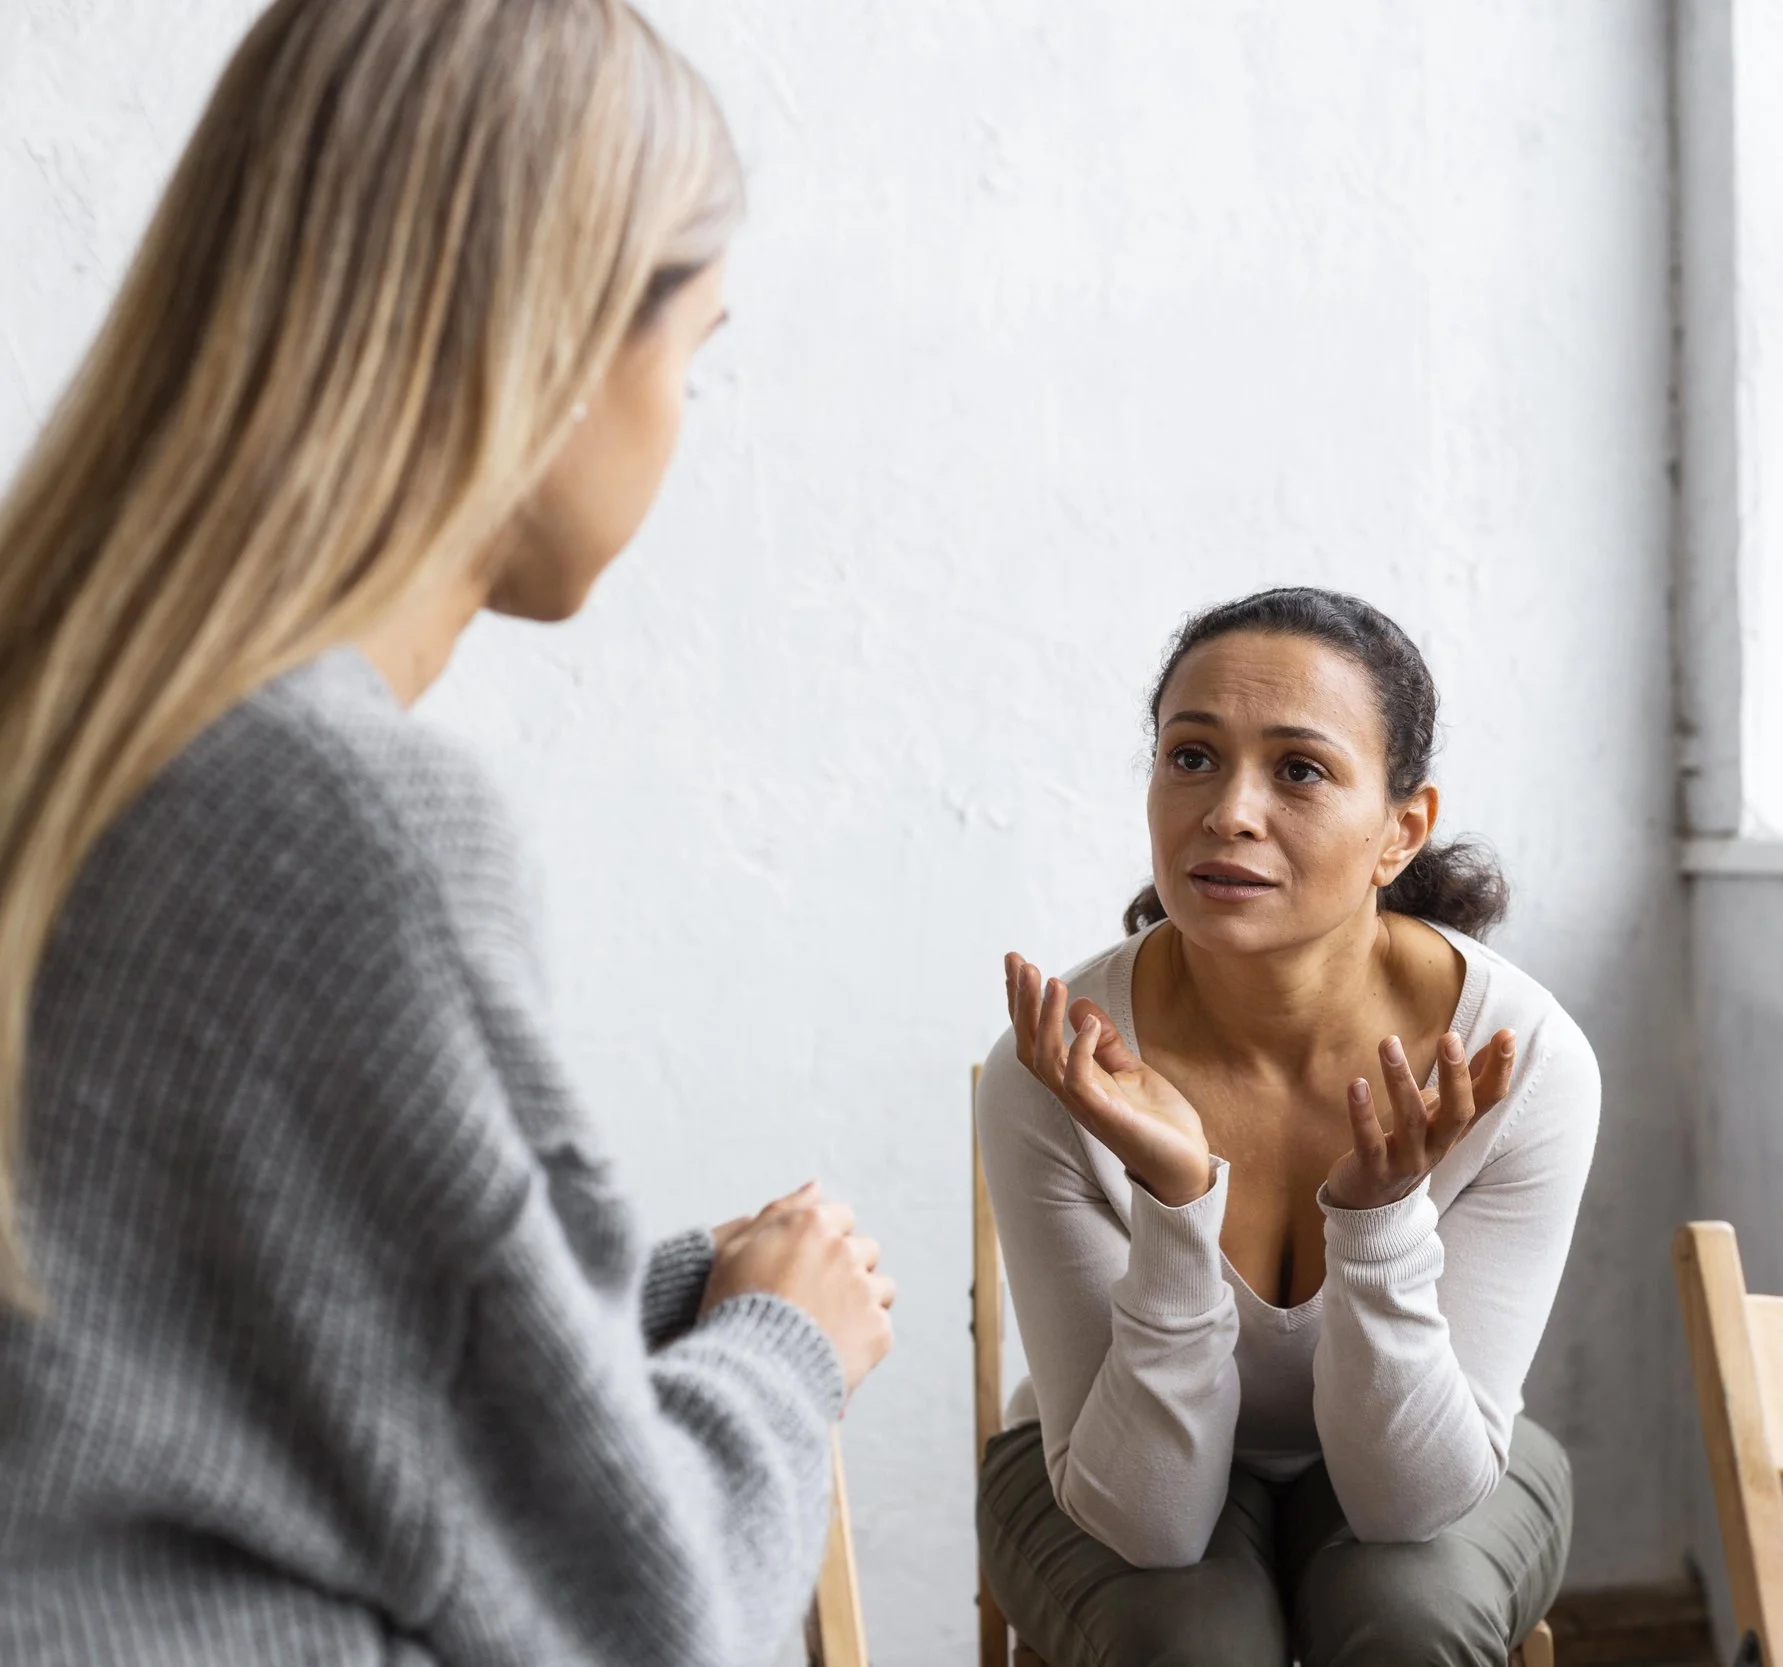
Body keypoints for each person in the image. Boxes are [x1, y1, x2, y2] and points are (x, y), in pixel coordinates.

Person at [0, 4, 895, 1664]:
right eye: (691, 352)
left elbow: (201, 1337)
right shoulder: (336, 821)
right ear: (551, 342)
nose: (685, 419)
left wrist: (679, 1282)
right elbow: (640, 1613)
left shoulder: (68, 723)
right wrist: (785, 1341)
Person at [976, 588, 1601, 1667]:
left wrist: (1378, 1221)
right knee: (1189, 1638)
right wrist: (1174, 1203)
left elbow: (1407, 1504)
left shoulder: (1521, 1060)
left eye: (1299, 769)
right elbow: (1151, 1523)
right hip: (1105, 1463)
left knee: (1410, 1611)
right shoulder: (1060, 1070)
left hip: (1434, 1453)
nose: (1228, 811)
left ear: (1399, 829)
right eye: (1191, 757)